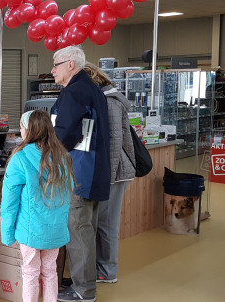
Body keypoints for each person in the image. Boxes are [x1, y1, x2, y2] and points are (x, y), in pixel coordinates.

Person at [51, 46, 110, 302]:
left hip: (79, 172)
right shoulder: (94, 90)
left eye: (56, 64)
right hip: (94, 170)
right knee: (87, 228)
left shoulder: (74, 92)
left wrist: (45, 152)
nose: (52, 70)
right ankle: (82, 282)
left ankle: (83, 290)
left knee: (79, 232)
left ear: (71, 65)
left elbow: (65, 134)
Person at [1, 110, 74, 302]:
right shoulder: (62, 156)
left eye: (22, 127)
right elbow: (69, 190)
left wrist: (7, 234)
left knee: (30, 273)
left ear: (29, 130)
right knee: (51, 271)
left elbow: (9, 202)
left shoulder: (20, 158)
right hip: (55, 229)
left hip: (30, 230)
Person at [82, 62, 136, 284]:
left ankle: (107, 270)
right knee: (100, 222)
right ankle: (101, 266)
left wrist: (109, 176)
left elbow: (114, 143)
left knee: (106, 223)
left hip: (114, 171)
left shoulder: (110, 102)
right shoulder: (100, 98)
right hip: (106, 170)